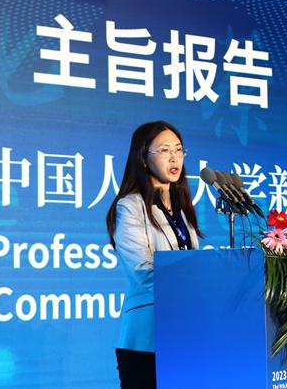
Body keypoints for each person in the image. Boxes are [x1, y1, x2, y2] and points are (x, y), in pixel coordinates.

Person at [106, 121, 204, 389]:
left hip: (185, 334)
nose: (174, 157)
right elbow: (142, 272)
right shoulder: (130, 206)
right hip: (146, 341)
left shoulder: (183, 210)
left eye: (179, 150)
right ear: (143, 158)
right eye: (164, 150)